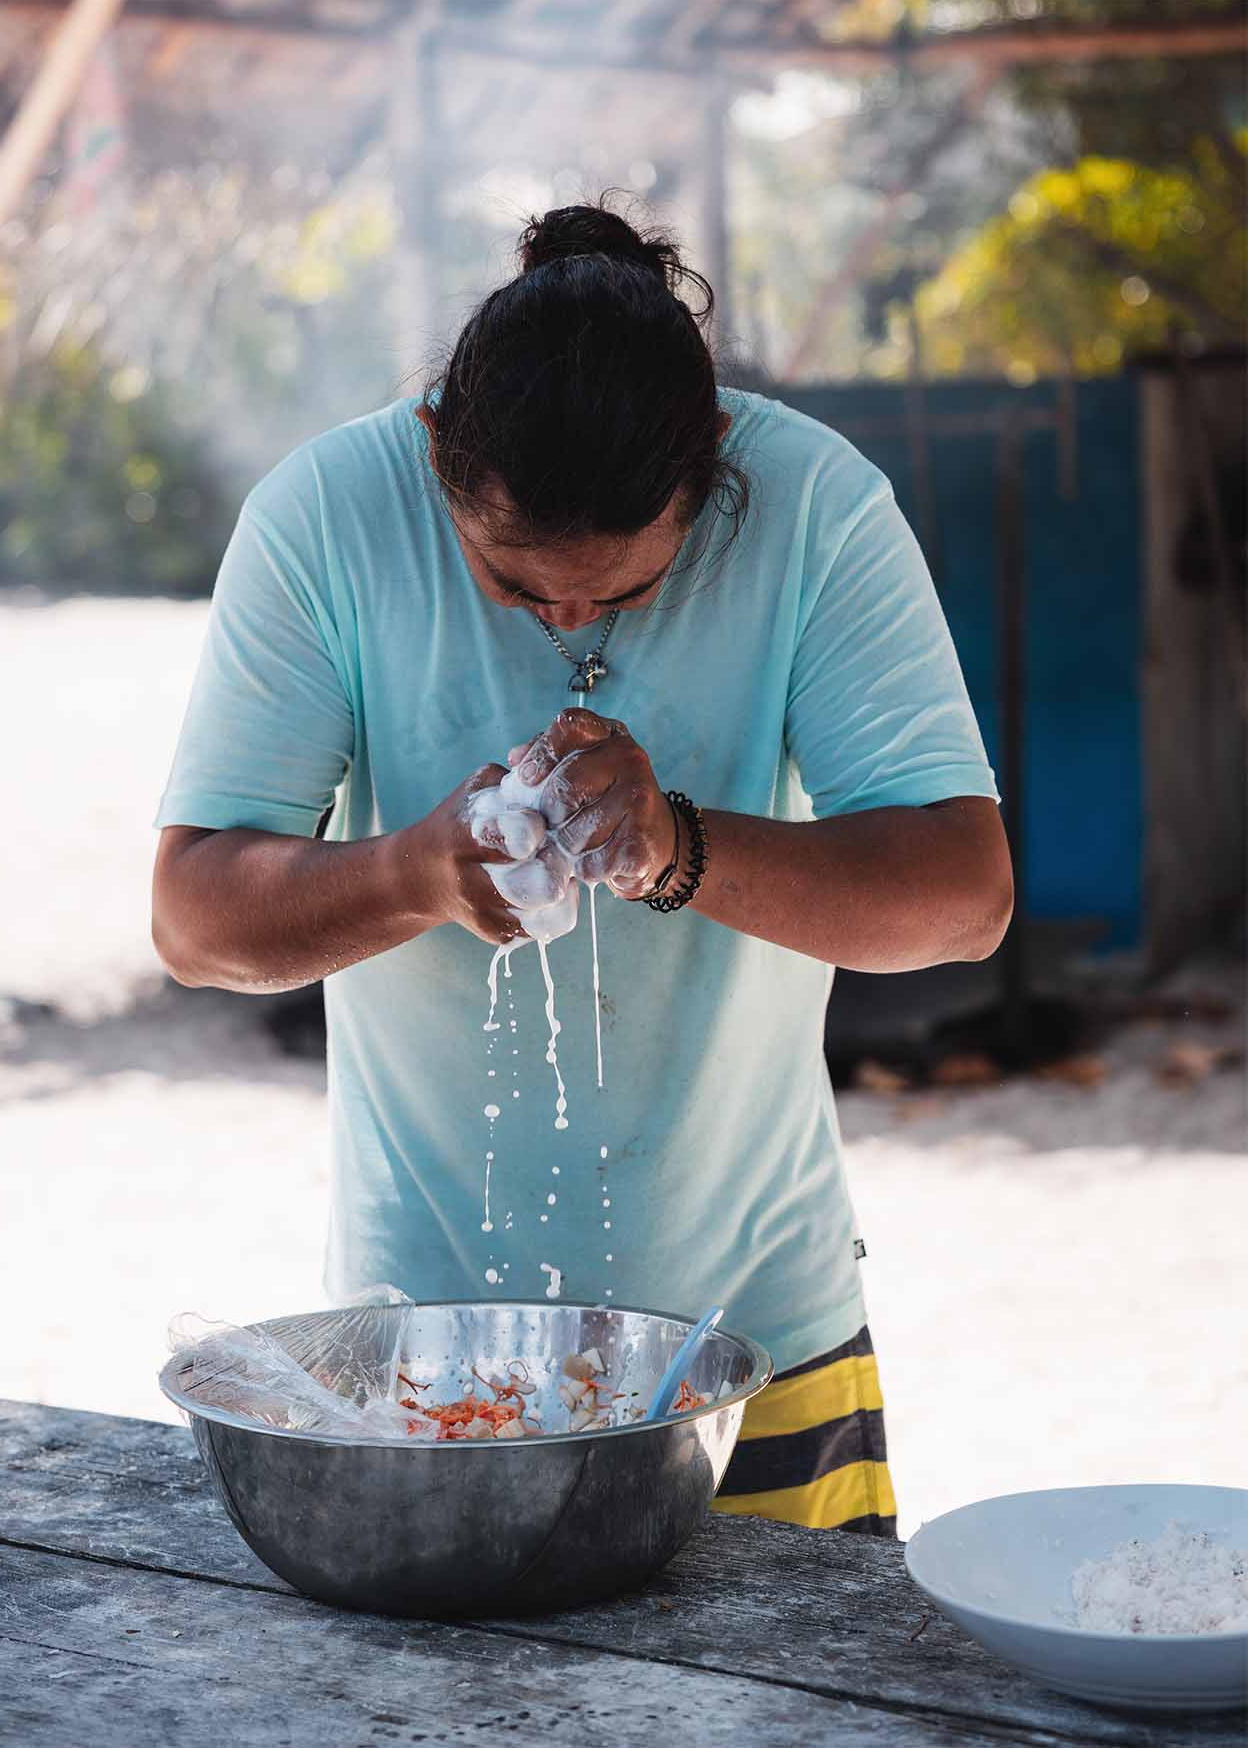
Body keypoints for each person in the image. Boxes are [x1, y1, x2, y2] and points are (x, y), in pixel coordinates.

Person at [152, 202, 1011, 1535]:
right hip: (421, 1362)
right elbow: (195, 918)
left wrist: (679, 845)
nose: (563, 621)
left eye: (618, 593)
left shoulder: (815, 508)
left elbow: (964, 894)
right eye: (511, 580)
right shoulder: (327, 515)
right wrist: (414, 873)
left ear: (713, 467)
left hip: (754, 1349)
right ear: (436, 447)